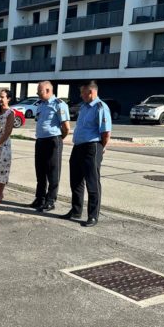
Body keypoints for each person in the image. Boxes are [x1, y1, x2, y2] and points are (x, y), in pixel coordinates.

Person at [62, 81, 111, 227]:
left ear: (91, 92)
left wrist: (101, 146)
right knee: (76, 180)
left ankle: (93, 216)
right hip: (78, 147)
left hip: (92, 146)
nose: (80, 95)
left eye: (82, 92)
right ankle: (76, 210)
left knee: (92, 182)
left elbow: (106, 132)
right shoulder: (84, 107)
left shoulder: (100, 107)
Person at [32, 81, 70, 212]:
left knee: (53, 172)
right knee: (40, 171)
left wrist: (58, 139)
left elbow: (66, 128)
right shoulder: (41, 105)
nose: (37, 94)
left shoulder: (59, 104)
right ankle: (40, 198)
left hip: (53, 140)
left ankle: (50, 200)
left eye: (39, 91)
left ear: (48, 90)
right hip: (40, 141)